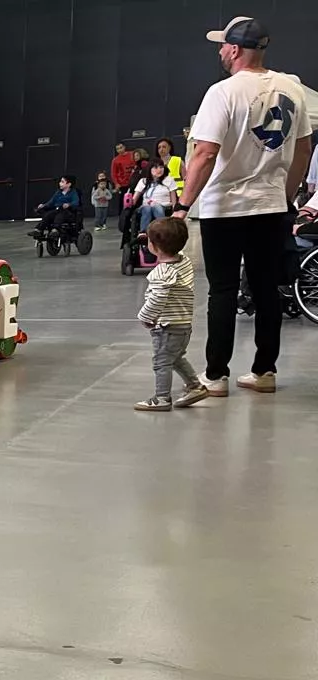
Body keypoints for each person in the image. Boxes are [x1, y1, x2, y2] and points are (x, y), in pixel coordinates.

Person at [177, 16, 313, 395]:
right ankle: (264, 372)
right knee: (266, 289)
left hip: (225, 208)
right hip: (271, 206)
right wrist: (285, 195)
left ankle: (216, 377)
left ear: (234, 50)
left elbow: (204, 153)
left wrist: (182, 205)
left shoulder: (222, 92)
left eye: (223, 45)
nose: (221, 51)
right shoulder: (292, 88)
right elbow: (303, 149)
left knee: (222, 290)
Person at [134, 217, 211, 411]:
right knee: (175, 358)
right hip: (183, 323)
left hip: (167, 326)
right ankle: (195, 386)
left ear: (154, 246)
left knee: (161, 362)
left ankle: (162, 398)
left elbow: (157, 299)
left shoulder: (162, 273)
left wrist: (145, 316)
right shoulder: (183, 261)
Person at [131, 161, 175, 234]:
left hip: (164, 206)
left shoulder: (169, 180)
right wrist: (129, 203)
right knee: (147, 208)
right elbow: (134, 199)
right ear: (150, 169)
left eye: (161, 167)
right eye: (155, 167)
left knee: (156, 206)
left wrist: (175, 210)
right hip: (146, 206)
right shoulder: (143, 181)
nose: (159, 170)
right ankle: (143, 232)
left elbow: (173, 199)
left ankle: (162, 231)